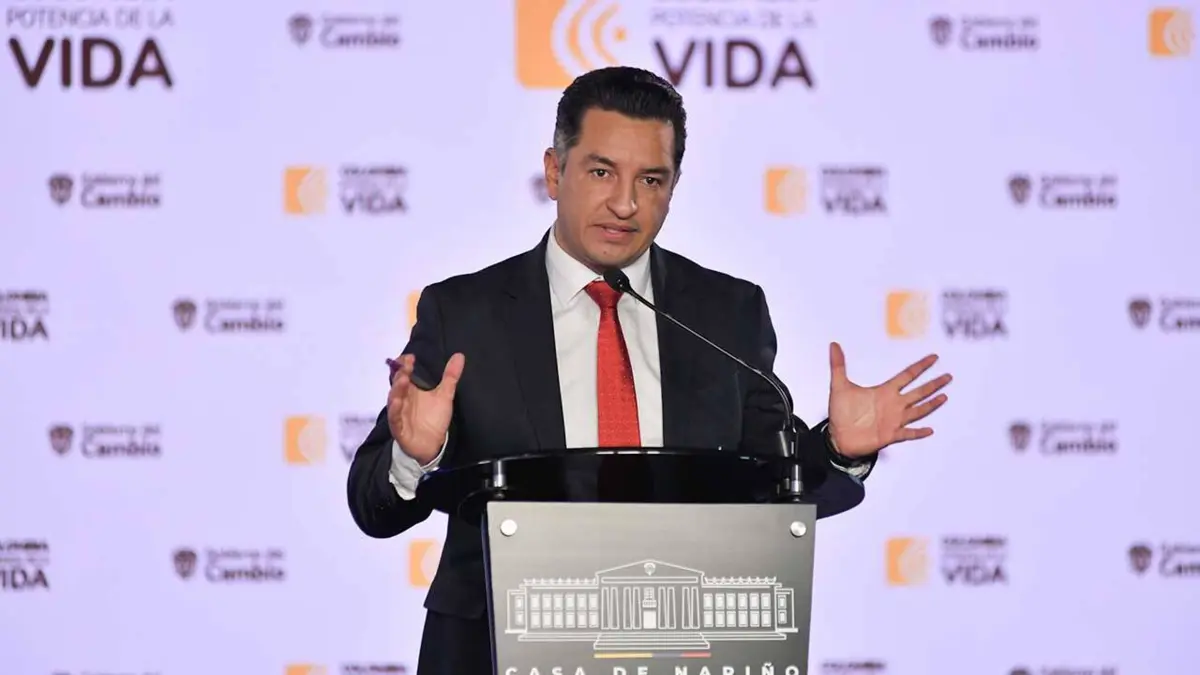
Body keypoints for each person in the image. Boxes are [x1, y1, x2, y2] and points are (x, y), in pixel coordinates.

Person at [347, 66, 952, 674]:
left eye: (651, 179)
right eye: (601, 172)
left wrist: (838, 451)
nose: (625, 203)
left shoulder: (726, 312)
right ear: (555, 172)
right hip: (496, 649)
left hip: (682, 648)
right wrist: (414, 457)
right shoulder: (465, 313)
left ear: (673, 187)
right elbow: (373, 507)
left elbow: (774, 485)